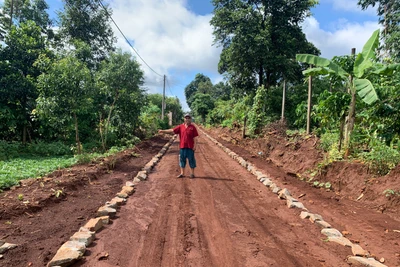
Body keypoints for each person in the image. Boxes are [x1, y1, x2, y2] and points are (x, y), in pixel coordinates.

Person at [158, 114, 199, 178]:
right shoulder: (180, 127)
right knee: (182, 160)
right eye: (186, 118)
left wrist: (195, 146)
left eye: (188, 118)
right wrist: (163, 131)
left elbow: (195, 138)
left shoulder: (193, 127)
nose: (187, 119)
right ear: (184, 119)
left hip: (190, 147)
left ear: (190, 119)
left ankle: (192, 174)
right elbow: (172, 130)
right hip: (182, 147)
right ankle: (182, 173)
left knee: (191, 160)